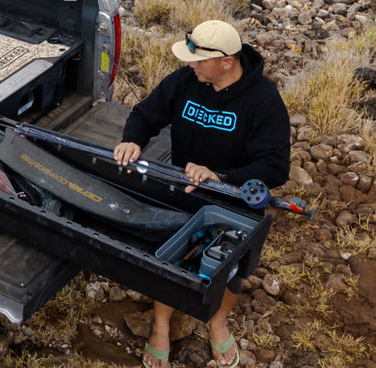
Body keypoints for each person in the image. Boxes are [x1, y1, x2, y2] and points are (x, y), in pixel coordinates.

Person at [113, 20, 290, 368]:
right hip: (183, 186)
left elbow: (275, 167)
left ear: (227, 60)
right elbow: (146, 114)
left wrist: (222, 176)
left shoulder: (263, 100)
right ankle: (161, 327)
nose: (190, 65)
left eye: (199, 60)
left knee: (230, 267)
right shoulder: (187, 81)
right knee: (170, 258)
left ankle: (218, 321)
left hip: (233, 195)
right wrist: (132, 139)